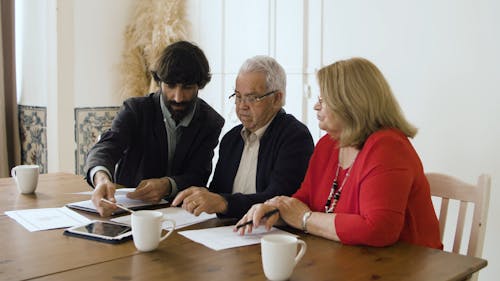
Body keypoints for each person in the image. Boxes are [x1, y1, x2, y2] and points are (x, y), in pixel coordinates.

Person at [236, 57, 443, 249]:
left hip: (409, 266)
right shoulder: (329, 144)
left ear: (351, 104)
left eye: (323, 100)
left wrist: (305, 219)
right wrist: (275, 209)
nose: (316, 106)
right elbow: (303, 199)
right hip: (353, 260)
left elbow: (379, 230)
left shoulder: (388, 147)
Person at [84, 41, 224, 217]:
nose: (178, 97)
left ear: (200, 85)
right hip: (126, 213)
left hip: (183, 216)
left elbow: (199, 175)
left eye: (187, 88)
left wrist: (167, 184)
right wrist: (102, 178)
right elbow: (106, 147)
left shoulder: (211, 122)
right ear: (159, 82)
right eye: (170, 86)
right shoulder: (135, 110)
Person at [171, 55, 314, 219]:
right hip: (227, 232)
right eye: (238, 96)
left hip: (270, 234)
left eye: (252, 98)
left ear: (277, 99)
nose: (242, 106)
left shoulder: (295, 137)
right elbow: (219, 193)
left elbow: (278, 200)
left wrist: (223, 203)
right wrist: (202, 194)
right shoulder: (231, 139)